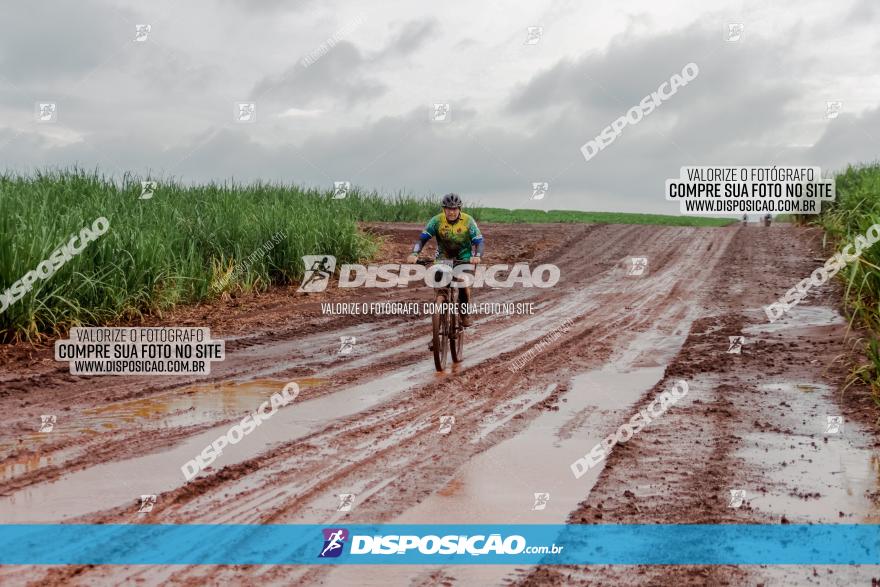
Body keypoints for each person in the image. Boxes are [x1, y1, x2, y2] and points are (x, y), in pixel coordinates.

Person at [407, 193, 484, 326]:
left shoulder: (468, 221)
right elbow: (422, 239)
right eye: (448, 208)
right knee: (440, 286)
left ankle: (464, 314)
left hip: (465, 258)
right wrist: (414, 253)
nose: (451, 212)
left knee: (463, 284)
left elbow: (479, 241)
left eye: (454, 209)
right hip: (443, 257)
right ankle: (438, 326)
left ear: (459, 209)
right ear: (444, 209)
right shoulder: (436, 221)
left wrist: (477, 256)